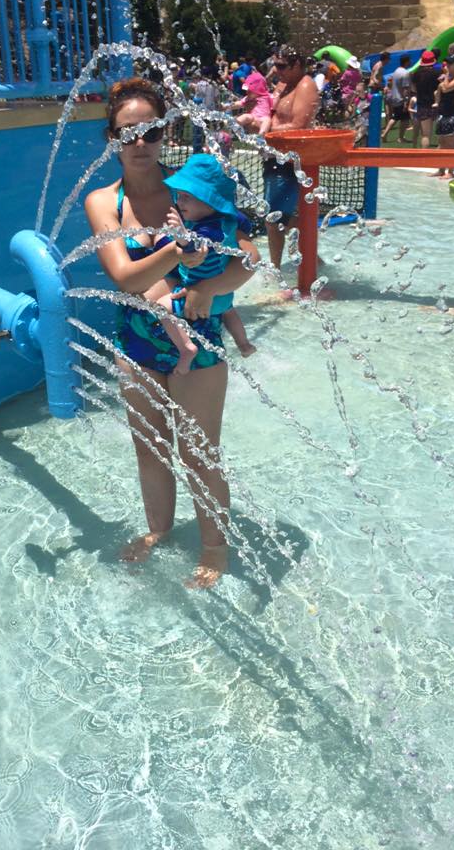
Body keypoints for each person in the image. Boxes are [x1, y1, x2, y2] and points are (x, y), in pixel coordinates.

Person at [84, 77, 260, 588]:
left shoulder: (190, 188)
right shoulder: (103, 202)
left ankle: (214, 548)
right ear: (111, 138)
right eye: (127, 133)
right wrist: (176, 251)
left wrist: (210, 287)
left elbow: (248, 256)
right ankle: (158, 530)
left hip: (196, 340)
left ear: (166, 133)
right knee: (151, 448)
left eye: (152, 131)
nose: (140, 143)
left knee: (198, 453)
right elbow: (124, 278)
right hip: (136, 342)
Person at [145, 154, 255, 373]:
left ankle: (186, 348)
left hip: (202, 297)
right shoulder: (224, 222)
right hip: (222, 295)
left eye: (187, 197)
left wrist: (181, 238)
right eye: (179, 196)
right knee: (229, 313)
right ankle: (243, 344)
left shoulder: (209, 229)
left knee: (161, 307)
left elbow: (196, 248)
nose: (179, 202)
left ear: (210, 200)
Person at [261, 45, 320, 269]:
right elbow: (270, 113)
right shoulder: (284, 85)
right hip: (276, 157)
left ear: (297, 65)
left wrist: (266, 130)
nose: (276, 70)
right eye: (274, 65)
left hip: (291, 161)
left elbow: (298, 126)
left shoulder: (305, 85)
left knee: (274, 219)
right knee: (278, 218)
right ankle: (313, 257)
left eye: (281, 66)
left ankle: (275, 270)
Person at [433, 53, 454, 178]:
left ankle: (451, 171)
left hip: (453, 114)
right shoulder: (449, 77)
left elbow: (446, 88)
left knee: (450, 144)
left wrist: (446, 77)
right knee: (441, 142)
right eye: (447, 63)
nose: (447, 65)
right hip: (443, 113)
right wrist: (443, 82)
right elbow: (439, 90)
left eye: (450, 64)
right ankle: (441, 169)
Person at [225, 69, 273, 135]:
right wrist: (226, 106)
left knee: (267, 120)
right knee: (246, 116)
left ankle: (261, 135)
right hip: (252, 117)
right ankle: (231, 127)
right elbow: (238, 103)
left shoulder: (267, 96)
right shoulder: (247, 98)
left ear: (258, 90)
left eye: (249, 91)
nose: (247, 92)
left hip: (263, 117)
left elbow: (275, 104)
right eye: (246, 91)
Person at [411, 49, 439, 148]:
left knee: (424, 134)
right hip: (434, 104)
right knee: (431, 134)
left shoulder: (416, 74)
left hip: (422, 105)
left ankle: (419, 151)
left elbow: (413, 89)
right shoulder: (437, 73)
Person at [381, 54, 412, 143]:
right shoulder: (405, 73)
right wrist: (406, 101)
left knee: (395, 117)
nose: (410, 62)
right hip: (401, 99)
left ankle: (385, 134)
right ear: (406, 62)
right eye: (409, 61)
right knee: (405, 120)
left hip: (394, 98)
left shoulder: (396, 71)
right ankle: (400, 138)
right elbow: (405, 89)